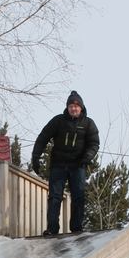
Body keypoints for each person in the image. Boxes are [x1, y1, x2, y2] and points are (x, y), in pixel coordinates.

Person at [30, 90, 100, 237]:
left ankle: (76, 228)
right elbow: (43, 137)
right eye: (71, 106)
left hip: (78, 165)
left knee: (78, 196)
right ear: (67, 108)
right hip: (59, 165)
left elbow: (94, 144)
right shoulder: (58, 121)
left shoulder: (88, 124)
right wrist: (36, 156)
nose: (73, 108)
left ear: (81, 107)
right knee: (55, 196)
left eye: (76, 106)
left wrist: (87, 157)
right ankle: (52, 228)